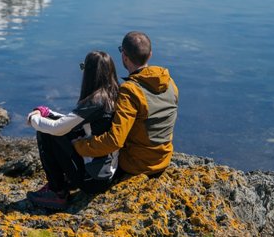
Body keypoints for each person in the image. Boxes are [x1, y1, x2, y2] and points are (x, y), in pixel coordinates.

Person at [73, 31, 178, 178]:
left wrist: (80, 146)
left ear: (124, 57)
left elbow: (114, 141)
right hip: (163, 159)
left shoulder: (130, 91)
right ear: (150, 55)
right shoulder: (170, 82)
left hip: (137, 165)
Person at [26, 50, 120, 210]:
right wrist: (48, 113)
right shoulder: (113, 95)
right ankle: (63, 183)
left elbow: (58, 128)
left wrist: (33, 119)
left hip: (93, 180)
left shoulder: (96, 101)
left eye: (83, 67)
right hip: (108, 172)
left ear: (90, 73)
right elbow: (72, 122)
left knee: (45, 132)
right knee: (58, 129)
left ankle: (57, 192)